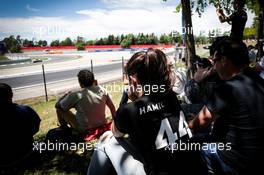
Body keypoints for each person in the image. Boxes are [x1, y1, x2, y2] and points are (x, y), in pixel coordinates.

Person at [87, 48, 206, 175]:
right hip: (194, 167)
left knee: (106, 139)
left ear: (133, 79)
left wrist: (132, 103)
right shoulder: (171, 97)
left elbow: (116, 133)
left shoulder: (128, 110)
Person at [189, 37, 264, 175]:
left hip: (237, 162)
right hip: (257, 158)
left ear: (224, 60)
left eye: (214, 61)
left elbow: (194, 127)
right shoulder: (258, 79)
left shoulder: (227, 88)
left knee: (187, 146)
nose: (214, 67)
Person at [55, 69, 116, 138]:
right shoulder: (101, 90)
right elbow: (112, 107)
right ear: (93, 80)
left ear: (80, 83)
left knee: (59, 109)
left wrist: (65, 95)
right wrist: (115, 122)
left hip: (84, 129)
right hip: (102, 124)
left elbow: (57, 106)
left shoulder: (76, 94)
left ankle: (64, 129)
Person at [0, 83, 41, 170]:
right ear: (11, 95)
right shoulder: (26, 109)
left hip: (5, 162)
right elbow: (36, 128)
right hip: (28, 153)